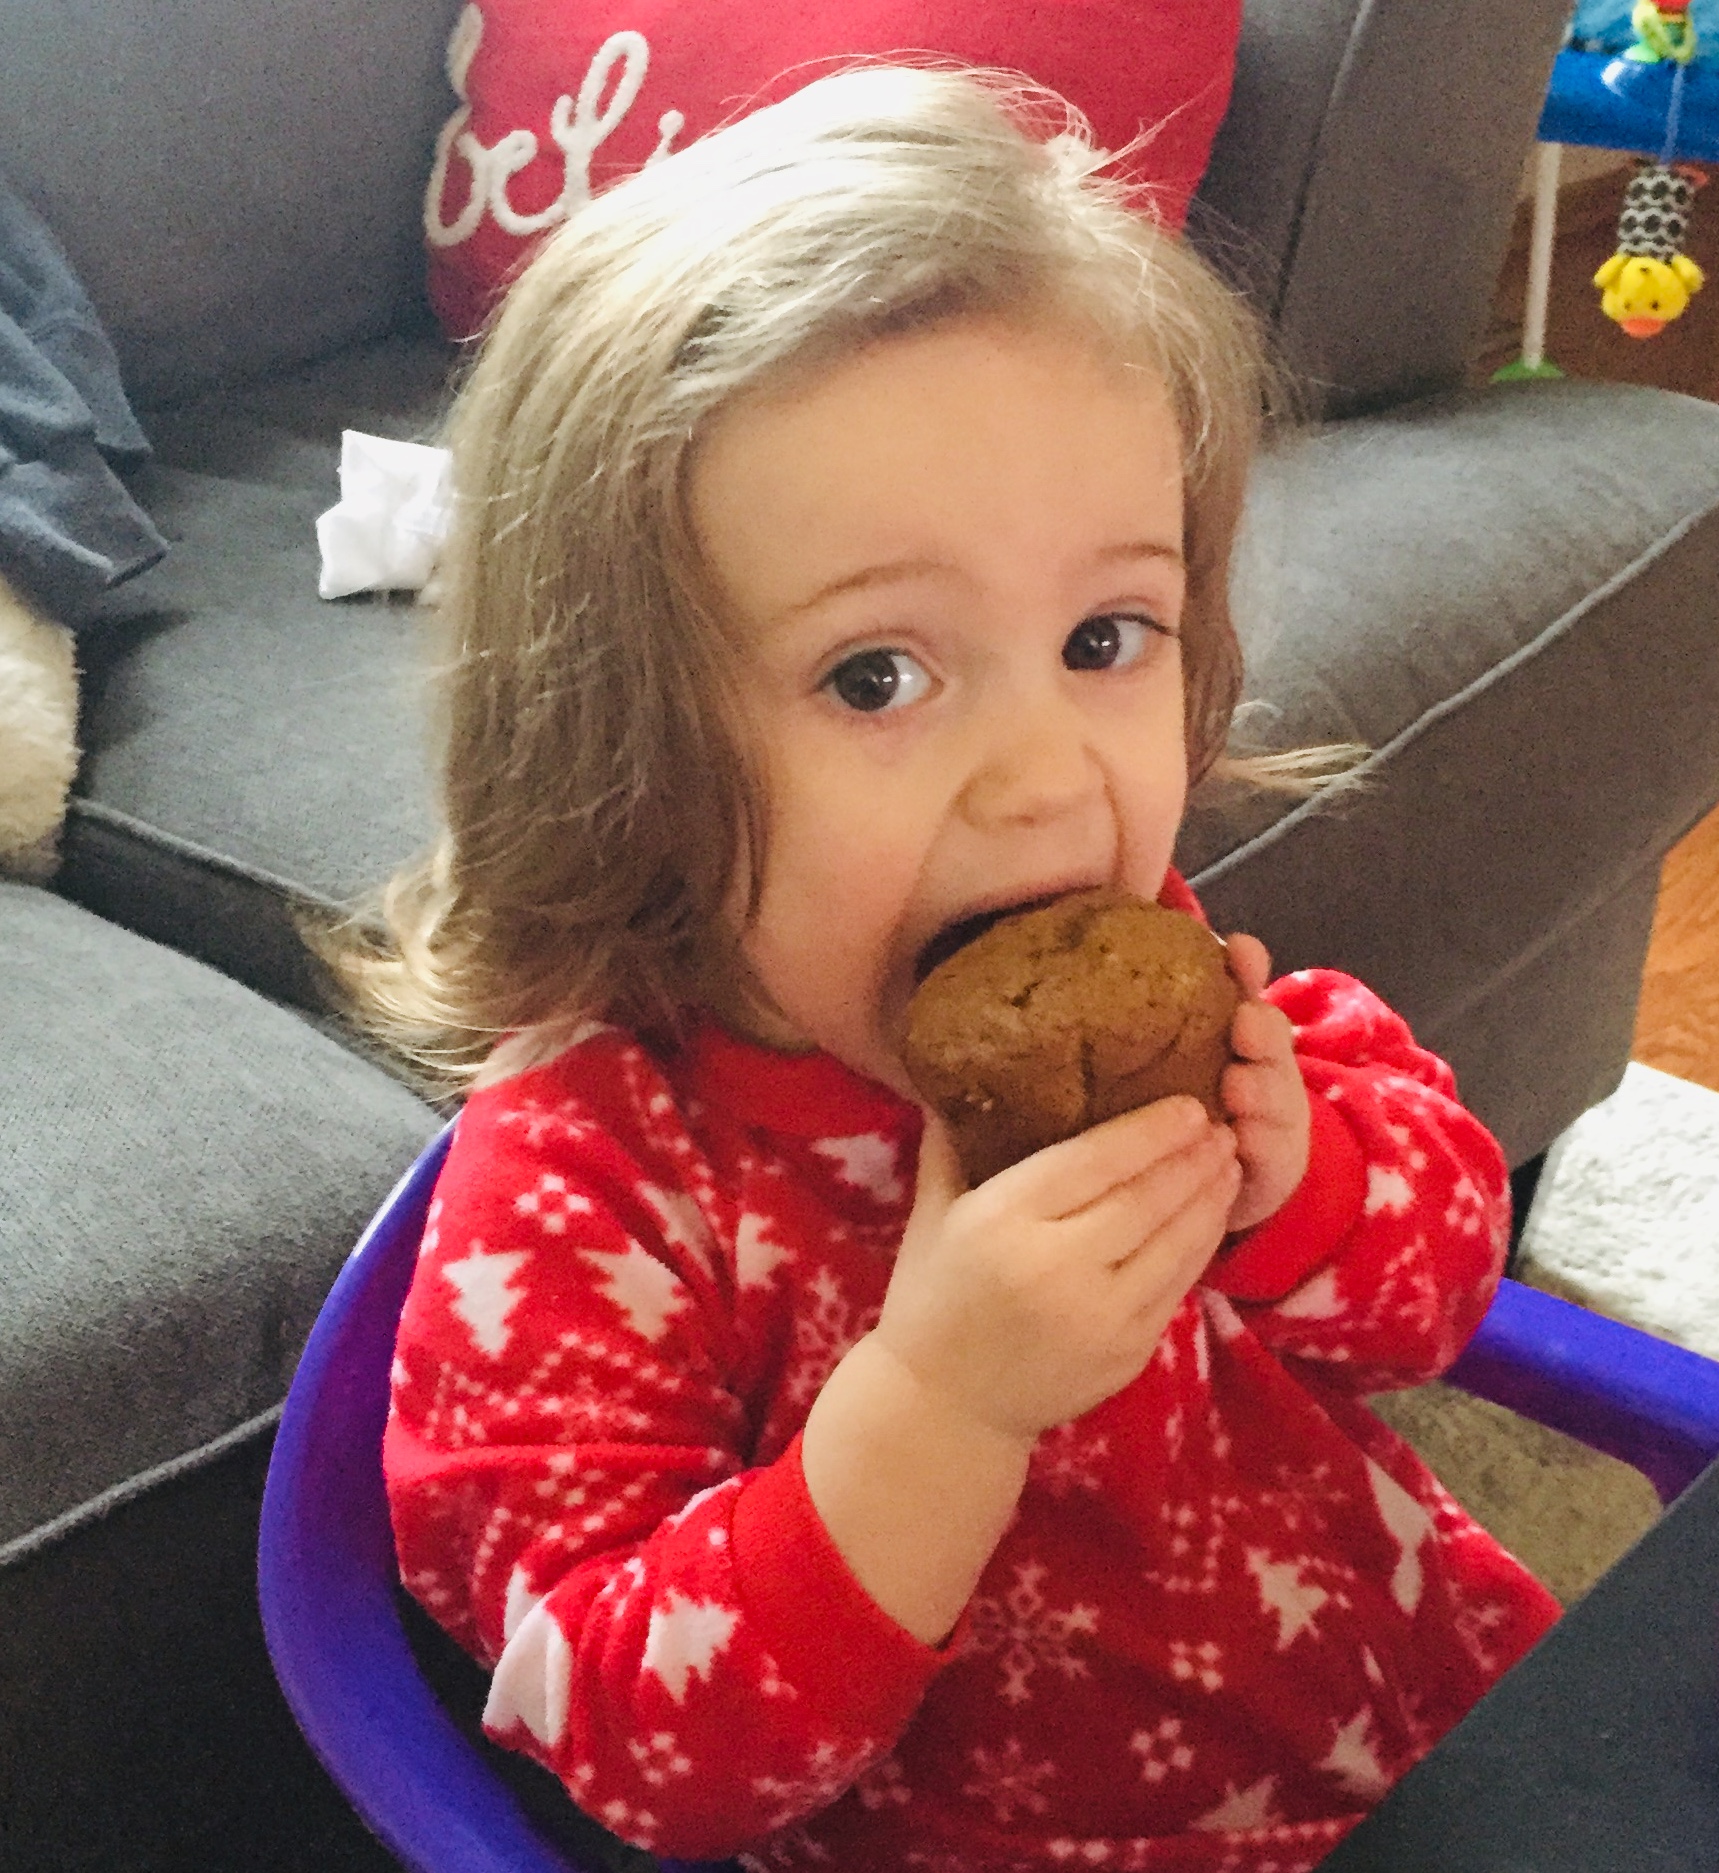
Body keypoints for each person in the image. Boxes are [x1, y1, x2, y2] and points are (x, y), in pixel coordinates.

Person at [334, 64, 1561, 1872]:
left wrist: (1300, 1185)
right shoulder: (591, 1189)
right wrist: (939, 1402)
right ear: (618, 748)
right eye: (875, 675)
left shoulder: (1192, 1004)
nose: (1045, 778)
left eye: (1105, 636)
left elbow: (1439, 1288)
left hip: (1427, 1720)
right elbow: (637, 1751)